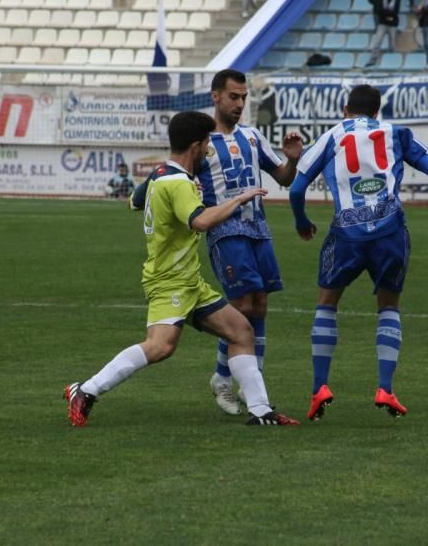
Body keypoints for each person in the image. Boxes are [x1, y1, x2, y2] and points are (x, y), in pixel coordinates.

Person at [64, 110, 300, 427]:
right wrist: (238, 200)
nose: (208, 152)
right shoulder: (178, 183)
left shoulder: (160, 175)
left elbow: (133, 200)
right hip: (170, 281)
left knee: (241, 330)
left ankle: (261, 411)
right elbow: (200, 221)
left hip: (190, 282)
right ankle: (86, 389)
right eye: (206, 146)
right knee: (160, 346)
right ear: (196, 146)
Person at [288, 84, 428, 421]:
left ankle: (320, 386)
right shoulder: (396, 133)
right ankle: (385, 388)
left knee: (326, 303)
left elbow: (296, 189)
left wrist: (302, 221)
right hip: (390, 231)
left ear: (345, 110)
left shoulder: (333, 134)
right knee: (389, 306)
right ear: (377, 111)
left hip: (346, 233)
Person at [195, 69, 303, 416]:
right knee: (240, 306)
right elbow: (180, 176)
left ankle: (249, 380)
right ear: (216, 97)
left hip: (257, 228)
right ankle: (224, 379)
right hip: (225, 231)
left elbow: (283, 178)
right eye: (233, 97)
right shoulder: (202, 142)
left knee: (259, 305)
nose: (240, 103)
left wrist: (292, 158)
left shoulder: (253, 137)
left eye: (244, 97)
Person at [366, 0, 402, 68]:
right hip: (382, 23)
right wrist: (388, 16)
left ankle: (391, 62)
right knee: (377, 42)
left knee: (392, 44)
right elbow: (379, 10)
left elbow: (395, 11)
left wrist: (387, 14)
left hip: (393, 24)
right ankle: (373, 59)